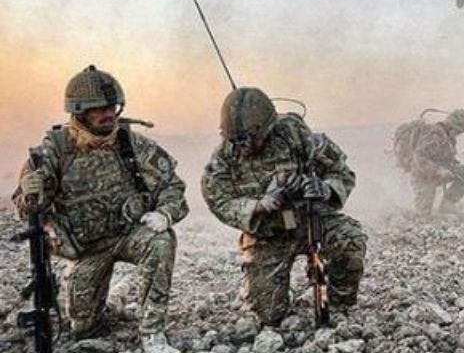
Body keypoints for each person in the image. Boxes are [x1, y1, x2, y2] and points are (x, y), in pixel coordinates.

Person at [13, 65, 188, 353]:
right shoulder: (56, 149)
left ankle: (153, 334)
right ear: (80, 112)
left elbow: (172, 185)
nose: (108, 114)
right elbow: (29, 209)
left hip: (129, 235)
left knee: (160, 241)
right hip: (88, 248)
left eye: (112, 107)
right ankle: (117, 297)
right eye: (99, 109)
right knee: (83, 327)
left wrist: (165, 214)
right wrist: (30, 193)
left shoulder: (131, 143)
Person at [201, 87, 367, 326]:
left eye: (250, 137)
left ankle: (339, 303)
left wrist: (326, 188)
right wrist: (258, 206)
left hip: (310, 219)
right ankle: (262, 289)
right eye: (235, 139)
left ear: (268, 127)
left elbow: (340, 171)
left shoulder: (296, 136)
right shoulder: (224, 157)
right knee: (268, 315)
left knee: (349, 238)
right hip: (268, 235)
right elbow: (217, 199)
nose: (244, 145)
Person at [397, 109, 464, 216]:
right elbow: (419, 157)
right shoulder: (435, 137)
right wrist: (438, 170)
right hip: (422, 175)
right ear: (451, 127)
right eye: (457, 131)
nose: (459, 133)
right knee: (424, 213)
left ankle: (447, 205)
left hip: (441, 170)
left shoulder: (448, 134)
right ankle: (413, 219)